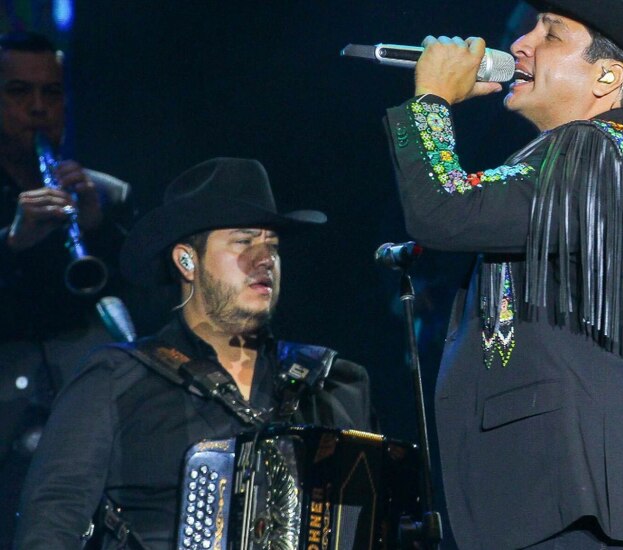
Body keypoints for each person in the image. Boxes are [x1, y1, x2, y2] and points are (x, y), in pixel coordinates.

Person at [382, 0, 623, 547]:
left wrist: (431, 100)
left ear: (607, 75)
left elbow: (443, 208)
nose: (521, 44)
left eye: (552, 34)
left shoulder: (594, 150)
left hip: (579, 517)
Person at [15, 158, 373, 548]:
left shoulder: (331, 384)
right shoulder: (113, 379)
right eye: (243, 241)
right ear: (187, 260)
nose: (264, 259)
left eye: (272, 246)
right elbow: (50, 527)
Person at [0, 31, 132, 546]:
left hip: (83, 424)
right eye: (17, 92)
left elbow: (141, 313)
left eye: (51, 93)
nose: (37, 107)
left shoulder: (107, 194)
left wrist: (98, 229)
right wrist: (11, 243)